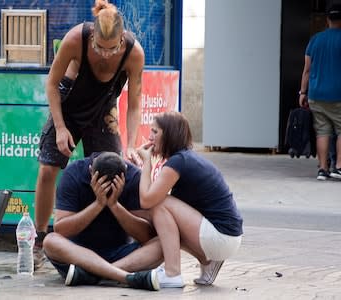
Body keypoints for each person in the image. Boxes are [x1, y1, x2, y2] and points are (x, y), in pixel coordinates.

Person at [34, 0, 145, 268]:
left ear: (122, 39)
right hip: (68, 105)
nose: (106, 55)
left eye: (112, 48)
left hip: (103, 110)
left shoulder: (133, 53)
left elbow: (134, 104)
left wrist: (131, 144)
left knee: (110, 171)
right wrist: (60, 128)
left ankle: (105, 240)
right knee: (48, 169)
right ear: (93, 36)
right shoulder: (75, 39)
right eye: (100, 48)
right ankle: (39, 239)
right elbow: (51, 85)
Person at [136, 111, 243, 288]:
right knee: (163, 220)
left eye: (155, 132)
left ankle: (172, 273)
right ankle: (207, 263)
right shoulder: (185, 158)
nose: (150, 137)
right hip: (227, 237)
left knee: (159, 203)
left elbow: (147, 200)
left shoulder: (178, 162)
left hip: (222, 237)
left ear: (169, 134)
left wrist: (146, 162)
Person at [43, 152, 163, 291]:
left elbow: (146, 236)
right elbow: (62, 230)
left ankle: (95, 275)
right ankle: (124, 277)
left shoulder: (134, 176)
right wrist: (98, 204)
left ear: (124, 174)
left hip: (122, 256)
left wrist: (114, 206)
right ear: (90, 172)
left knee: (164, 242)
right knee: (50, 241)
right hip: (78, 255)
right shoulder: (73, 173)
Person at [299, 4, 341, 181]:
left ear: (327, 20)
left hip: (316, 94)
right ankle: (338, 167)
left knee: (322, 131)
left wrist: (302, 92)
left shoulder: (315, 40)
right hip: (338, 93)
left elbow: (307, 70)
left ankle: (322, 169)